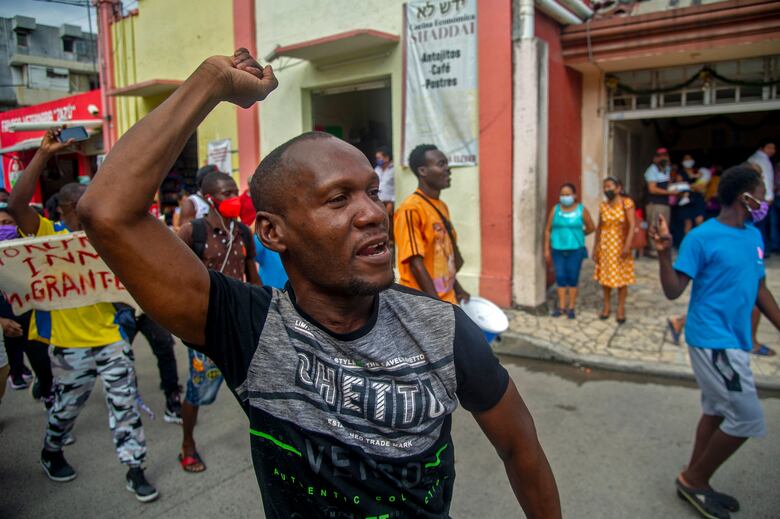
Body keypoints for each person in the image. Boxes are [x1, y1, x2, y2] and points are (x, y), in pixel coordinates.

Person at [78, 48, 561, 517]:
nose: (373, 212)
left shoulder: (442, 329)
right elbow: (108, 212)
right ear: (272, 232)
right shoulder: (250, 328)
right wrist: (211, 82)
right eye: (338, 199)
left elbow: (522, 449)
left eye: (373, 192)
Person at [7, 128, 157, 502]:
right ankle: (52, 450)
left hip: (109, 339)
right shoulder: (46, 233)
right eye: (82, 202)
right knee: (66, 407)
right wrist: (43, 154)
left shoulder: (103, 236)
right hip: (69, 344)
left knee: (125, 403)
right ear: (66, 209)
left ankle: (134, 466)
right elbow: (16, 203)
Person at [650, 165, 780, 519]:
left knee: (717, 411)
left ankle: (693, 478)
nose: (766, 197)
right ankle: (695, 478)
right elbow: (674, 290)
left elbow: (760, 288)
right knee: (748, 418)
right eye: (762, 190)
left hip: (734, 340)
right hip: (712, 340)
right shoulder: (702, 237)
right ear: (745, 196)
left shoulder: (753, 235)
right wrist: (664, 253)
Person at [176, 170, 261, 472]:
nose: (233, 198)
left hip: (241, 320)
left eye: (235, 191)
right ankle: (187, 444)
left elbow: (253, 276)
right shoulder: (192, 232)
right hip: (205, 327)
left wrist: (263, 308)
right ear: (209, 198)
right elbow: (171, 273)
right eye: (226, 193)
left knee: (260, 385)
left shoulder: (243, 233)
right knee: (200, 388)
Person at [394, 144, 470, 304]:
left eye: (447, 164)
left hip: (447, 299)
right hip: (423, 304)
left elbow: (443, 257)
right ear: (423, 171)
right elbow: (415, 263)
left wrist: (457, 288)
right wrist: (438, 307)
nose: (448, 169)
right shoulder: (411, 209)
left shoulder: (441, 206)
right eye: (441, 164)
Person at [0, 207, 54, 402]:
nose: (2, 228)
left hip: (33, 319)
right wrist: (2, 322)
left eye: (7, 224)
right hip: (4, 324)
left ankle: (49, 398)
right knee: (5, 370)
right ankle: (16, 376)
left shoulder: (33, 252)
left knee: (44, 365)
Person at [543, 183, 595, 319]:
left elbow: (591, 227)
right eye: (562, 195)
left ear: (574, 195)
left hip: (575, 250)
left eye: (568, 194)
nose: (565, 197)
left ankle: (571, 307)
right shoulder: (555, 210)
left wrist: (580, 234)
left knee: (572, 278)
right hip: (558, 249)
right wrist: (546, 249)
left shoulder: (581, 210)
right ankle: (561, 307)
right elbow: (548, 230)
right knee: (560, 278)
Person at [593, 177, 636, 324]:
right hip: (605, 248)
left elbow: (632, 225)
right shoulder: (603, 206)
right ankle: (606, 306)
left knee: (622, 280)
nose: (606, 189)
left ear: (618, 188)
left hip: (621, 247)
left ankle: (621, 308)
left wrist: (627, 245)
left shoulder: (627, 203)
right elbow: (599, 227)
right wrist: (595, 248)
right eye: (604, 187)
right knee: (605, 279)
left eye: (609, 186)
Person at [644, 148, 675, 256]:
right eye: (661, 156)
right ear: (655, 158)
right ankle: (654, 250)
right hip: (655, 203)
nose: (663, 158)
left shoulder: (666, 170)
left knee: (664, 227)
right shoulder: (652, 170)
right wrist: (670, 192)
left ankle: (662, 249)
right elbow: (652, 189)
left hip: (665, 203)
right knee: (655, 226)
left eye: (665, 156)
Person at [748, 139, 776, 254]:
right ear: (762, 148)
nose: (772, 151)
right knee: (759, 226)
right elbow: (766, 181)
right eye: (769, 147)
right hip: (761, 199)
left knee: (761, 225)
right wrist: (768, 197)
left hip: (759, 198)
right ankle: (761, 250)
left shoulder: (760, 159)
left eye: (774, 148)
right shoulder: (760, 160)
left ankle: (763, 249)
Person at [374, 145, 395, 235]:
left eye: (379, 157)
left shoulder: (393, 170)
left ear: (386, 158)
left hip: (389, 203)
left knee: (390, 224)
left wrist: (391, 202)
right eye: (377, 158)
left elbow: (397, 187)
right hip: (378, 202)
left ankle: (391, 244)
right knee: (379, 225)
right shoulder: (376, 169)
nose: (377, 160)